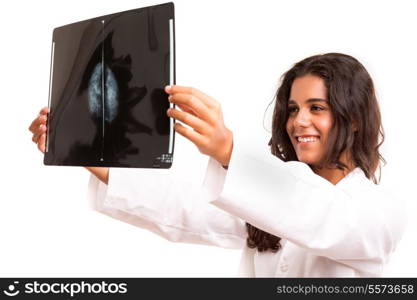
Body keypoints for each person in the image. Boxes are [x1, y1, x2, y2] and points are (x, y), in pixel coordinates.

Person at [29, 53, 405, 277]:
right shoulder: (265, 203)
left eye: (317, 108)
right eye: (293, 109)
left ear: (353, 119)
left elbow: (316, 213)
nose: (298, 122)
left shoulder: (379, 214)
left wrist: (227, 149)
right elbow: (181, 208)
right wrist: (83, 150)